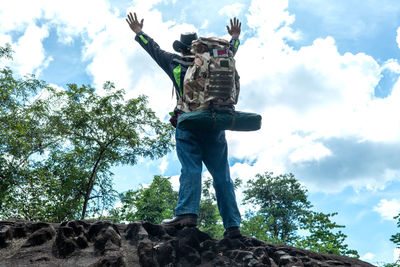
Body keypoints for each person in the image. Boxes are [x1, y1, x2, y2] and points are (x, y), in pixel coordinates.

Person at [126, 12, 242, 238]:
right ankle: (233, 225)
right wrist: (235, 37)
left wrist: (139, 33)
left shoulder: (174, 62)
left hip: (187, 122)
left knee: (190, 168)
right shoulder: (215, 60)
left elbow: (154, 50)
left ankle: (187, 214)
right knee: (222, 175)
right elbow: (232, 50)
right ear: (200, 47)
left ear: (181, 48)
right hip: (214, 123)